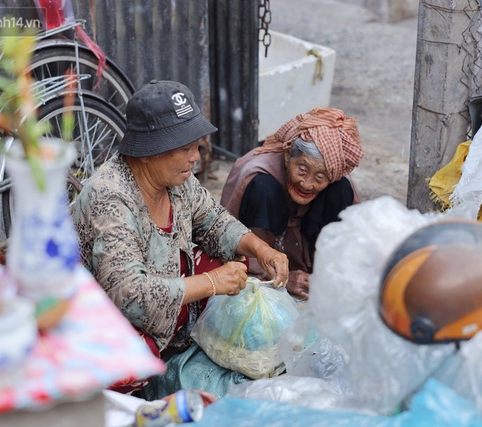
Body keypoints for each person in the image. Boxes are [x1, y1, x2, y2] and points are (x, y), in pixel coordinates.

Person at [71, 80, 289, 398]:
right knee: (134, 362)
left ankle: (175, 347)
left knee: (234, 263)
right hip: (106, 313)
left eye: (197, 146)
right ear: (148, 152)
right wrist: (212, 283)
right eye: (185, 148)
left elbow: (213, 221)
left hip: (165, 297)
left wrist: (261, 249)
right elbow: (129, 294)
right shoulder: (109, 197)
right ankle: (132, 391)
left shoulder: (177, 181)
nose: (196, 157)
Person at [220, 107, 364, 299]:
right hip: (265, 251)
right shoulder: (258, 175)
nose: (307, 184)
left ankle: (322, 269)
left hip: (306, 247)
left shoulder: (335, 180)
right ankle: (268, 273)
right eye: (302, 170)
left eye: (320, 177)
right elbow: (228, 230)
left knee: (340, 190)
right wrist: (281, 277)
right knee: (265, 189)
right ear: (288, 155)